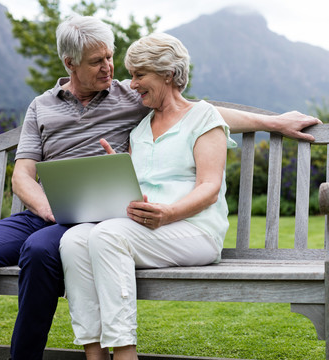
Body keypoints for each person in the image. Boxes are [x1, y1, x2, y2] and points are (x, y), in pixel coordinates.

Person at [0, 15, 320, 360]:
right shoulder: (43, 106)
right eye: (97, 61)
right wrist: (48, 209)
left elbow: (196, 112)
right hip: (46, 210)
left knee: (45, 250)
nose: (112, 70)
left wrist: (273, 122)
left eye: (111, 58)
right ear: (70, 63)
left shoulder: (131, 99)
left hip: (102, 219)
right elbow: (22, 175)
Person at [59, 31, 232, 360]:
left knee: (108, 235)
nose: (131, 83)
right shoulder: (140, 129)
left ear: (168, 74)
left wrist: (168, 213)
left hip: (195, 229)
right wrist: (114, 176)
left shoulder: (205, 117)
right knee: (74, 239)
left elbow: (210, 189)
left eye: (139, 75)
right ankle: (94, 355)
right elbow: (139, 190)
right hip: (145, 229)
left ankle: (125, 353)